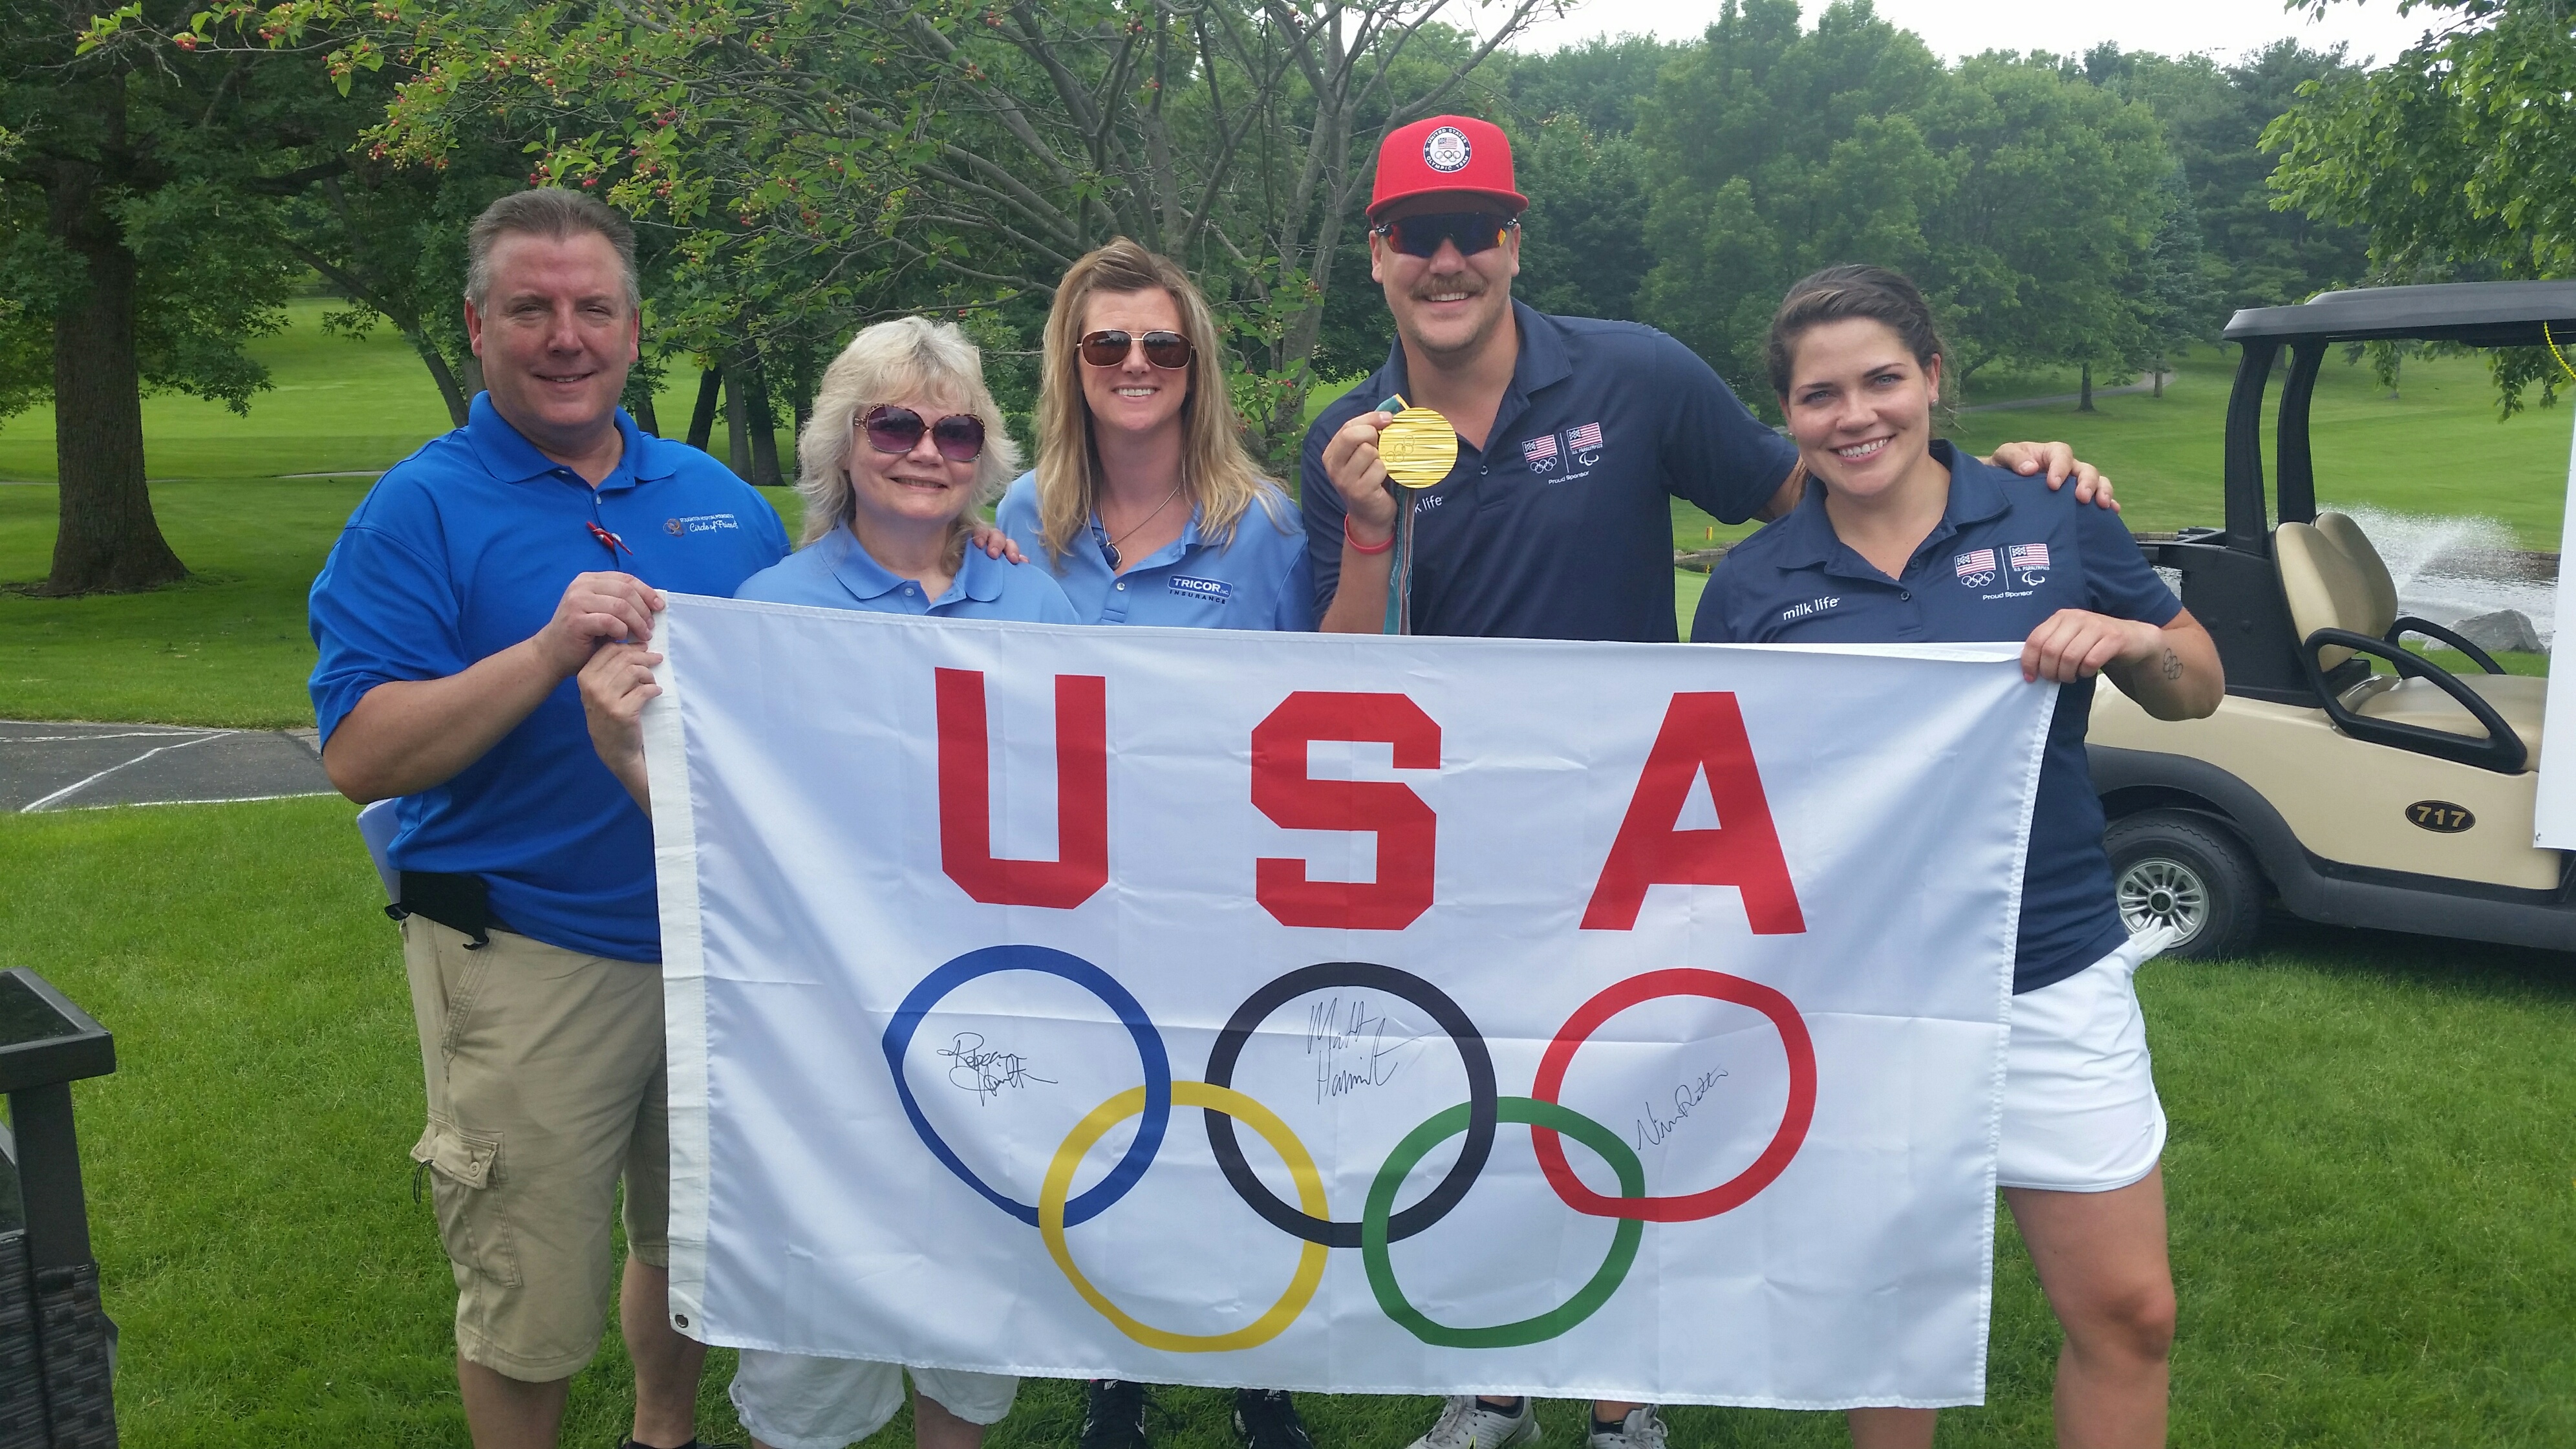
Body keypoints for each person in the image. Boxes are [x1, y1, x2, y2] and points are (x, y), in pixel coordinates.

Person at [1304, 115, 2127, 1449]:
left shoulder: (1636, 373)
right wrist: (1364, 531)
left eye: (1475, 230)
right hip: (1461, 846)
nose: (1448, 259)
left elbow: (1811, 473)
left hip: (1641, 829)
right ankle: (1492, 1376)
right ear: (1380, 254)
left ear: (1514, 240)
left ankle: (1626, 1400)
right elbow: (1333, 684)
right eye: (1418, 235)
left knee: (1620, 1104)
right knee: (1473, 1110)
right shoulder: (1350, 433)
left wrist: (2012, 482)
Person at [1695, 264, 2222, 1449]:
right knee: (1898, 1323)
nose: (1857, 414)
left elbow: (2198, 689)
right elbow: (1727, 807)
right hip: (1860, 995)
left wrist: (2136, 639)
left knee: (2131, 1311)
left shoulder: (2052, 511)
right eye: (1821, 394)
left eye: (1883, 378)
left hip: (2051, 962)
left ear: (1934, 378)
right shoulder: (1751, 586)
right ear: (1789, 414)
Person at [308, 188, 788, 1449]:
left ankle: (661, 1434)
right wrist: (544, 649)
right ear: (479, 324)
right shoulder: (421, 507)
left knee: (690, 1240)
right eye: (532, 308)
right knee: (530, 1283)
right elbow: (358, 753)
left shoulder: (720, 501)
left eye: (593, 308)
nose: (564, 335)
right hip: (525, 955)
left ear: (636, 330)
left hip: (712, 946)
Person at [579, 315, 1073, 1449]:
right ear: (844, 443)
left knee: (967, 1326)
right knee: (813, 1342)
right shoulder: (764, 613)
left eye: (957, 431)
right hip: (818, 1037)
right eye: (893, 422)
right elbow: (728, 840)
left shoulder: (1036, 604)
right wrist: (619, 750)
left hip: (989, 1013)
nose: (925, 450)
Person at [990, 237, 1314, 1449]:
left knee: (1239, 1116)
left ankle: (1258, 1365)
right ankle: (1114, 1365)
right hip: (1077, 879)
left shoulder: (1263, 523)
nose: (1136, 363)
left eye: (1161, 344)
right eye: (1108, 343)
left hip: (1230, 881)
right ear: (1072, 363)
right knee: (1109, 1109)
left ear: (1196, 362)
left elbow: (1331, 692)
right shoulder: (1025, 515)